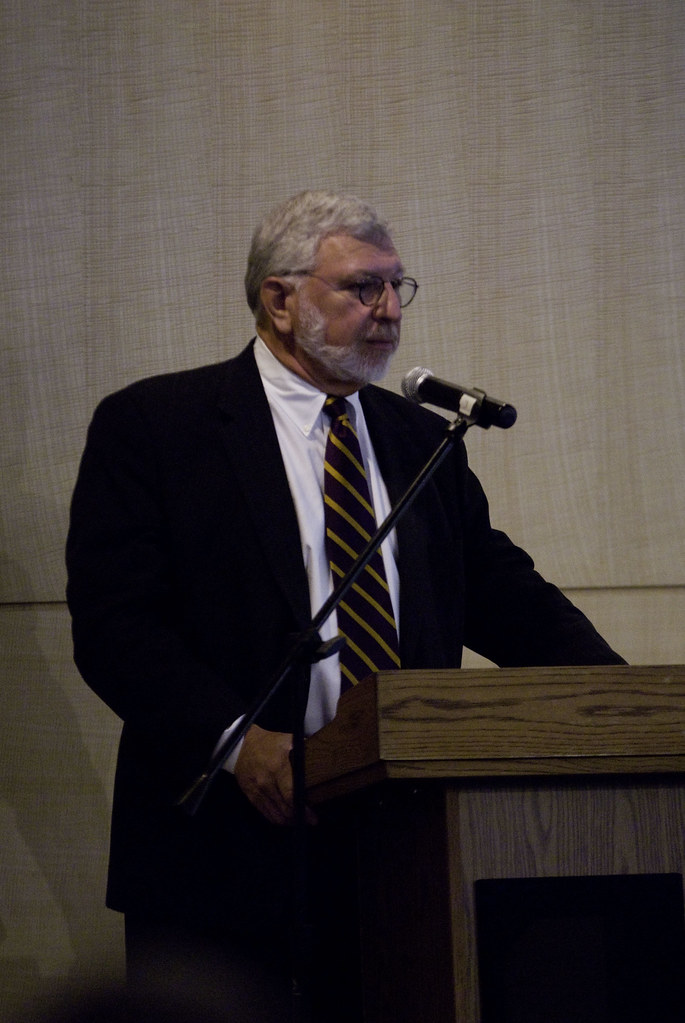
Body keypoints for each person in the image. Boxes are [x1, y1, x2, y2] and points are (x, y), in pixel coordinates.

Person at [66, 190, 625, 1021]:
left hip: (404, 842)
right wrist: (236, 740)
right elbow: (118, 626)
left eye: (399, 287)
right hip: (226, 845)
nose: (390, 311)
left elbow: (507, 597)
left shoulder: (414, 437)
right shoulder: (157, 425)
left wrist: (623, 706)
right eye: (363, 288)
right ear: (280, 300)